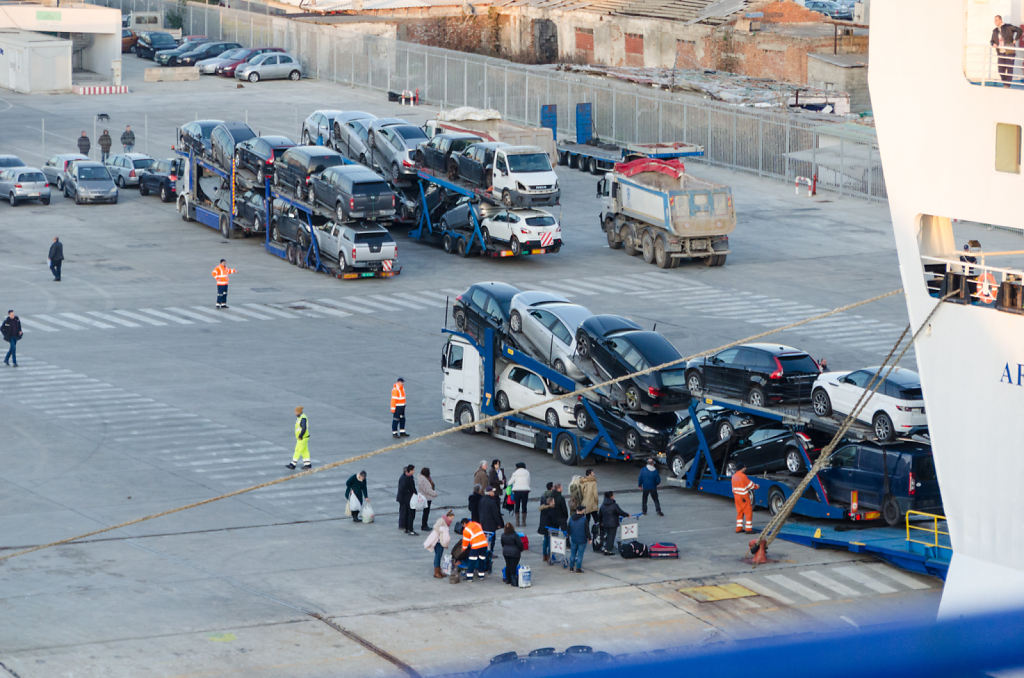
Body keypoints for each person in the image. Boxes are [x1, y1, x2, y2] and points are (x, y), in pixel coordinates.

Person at [991, 15, 1022, 87]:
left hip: (1009, 51)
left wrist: (1015, 39)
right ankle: (1006, 83)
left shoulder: (1008, 26)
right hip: (1000, 52)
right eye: (994, 20)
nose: (995, 22)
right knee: (1001, 70)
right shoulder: (995, 31)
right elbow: (991, 41)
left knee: (1009, 68)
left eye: (996, 20)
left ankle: (1007, 85)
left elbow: (1019, 30)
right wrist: (993, 44)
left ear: (1000, 20)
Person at [424, 510, 454, 579]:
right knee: (438, 556)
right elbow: (436, 527)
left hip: (439, 541)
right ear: (448, 516)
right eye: (451, 518)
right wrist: (442, 531)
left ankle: (438, 571)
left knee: (438, 556)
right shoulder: (442, 521)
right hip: (438, 541)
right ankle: (436, 572)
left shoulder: (445, 521)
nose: (452, 520)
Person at [479, 486, 503, 570]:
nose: (494, 493)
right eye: (492, 491)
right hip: (491, 524)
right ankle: (490, 553)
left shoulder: (482, 500)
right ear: (489, 492)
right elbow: (496, 514)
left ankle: (485, 551)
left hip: (483, 523)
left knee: (485, 539)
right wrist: (499, 523)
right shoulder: (492, 502)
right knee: (491, 539)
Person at [598, 491, 628, 555]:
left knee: (607, 536)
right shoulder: (614, 505)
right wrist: (627, 515)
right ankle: (608, 549)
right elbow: (620, 512)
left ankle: (606, 546)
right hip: (613, 524)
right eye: (613, 495)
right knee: (611, 537)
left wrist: (600, 522)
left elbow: (600, 515)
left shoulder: (602, 505)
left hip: (605, 524)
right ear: (611, 497)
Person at [731, 464, 759, 533]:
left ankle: (738, 528)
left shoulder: (734, 476)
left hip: (736, 497)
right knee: (748, 512)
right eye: (744, 467)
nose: (745, 469)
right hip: (743, 497)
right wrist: (757, 486)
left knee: (740, 512)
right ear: (742, 468)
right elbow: (750, 485)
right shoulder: (743, 476)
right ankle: (748, 529)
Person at [461, 516, 489, 581]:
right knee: (481, 560)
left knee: (472, 561)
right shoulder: (477, 524)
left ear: (464, 524)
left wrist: (463, 549)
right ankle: (481, 576)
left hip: (476, 546)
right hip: (484, 544)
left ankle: (469, 577)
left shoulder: (466, 530)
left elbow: (465, 541)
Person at [537, 484, 556, 563]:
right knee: (550, 540)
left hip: (544, 522)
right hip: (550, 522)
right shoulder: (552, 496)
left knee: (545, 539)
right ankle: (549, 555)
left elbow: (541, 507)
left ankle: (544, 555)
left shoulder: (543, 495)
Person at [397, 464, 418, 535]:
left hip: (408, 498)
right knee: (409, 514)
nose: (414, 471)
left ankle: (406, 527)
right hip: (406, 499)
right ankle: (408, 528)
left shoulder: (409, 477)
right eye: (413, 470)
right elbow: (403, 489)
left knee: (406, 513)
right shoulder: (404, 478)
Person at [567, 506, 589, 573]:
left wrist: (570, 535)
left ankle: (571, 567)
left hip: (574, 539)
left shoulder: (571, 518)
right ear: (581, 511)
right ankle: (578, 568)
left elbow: (568, 528)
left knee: (573, 554)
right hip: (582, 539)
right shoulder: (584, 519)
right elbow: (587, 530)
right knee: (580, 555)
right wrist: (590, 538)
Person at [509, 461, 531, 527]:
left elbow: (510, 482)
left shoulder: (515, 473)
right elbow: (529, 481)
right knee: (524, 506)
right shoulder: (527, 472)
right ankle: (524, 522)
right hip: (525, 491)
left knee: (517, 505)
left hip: (517, 491)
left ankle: (517, 522)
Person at [417, 467, 438, 531]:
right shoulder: (424, 480)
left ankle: (424, 525)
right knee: (426, 512)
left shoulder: (422, 478)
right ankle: (424, 525)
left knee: (426, 512)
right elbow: (427, 490)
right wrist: (435, 494)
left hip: (424, 497)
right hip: (426, 498)